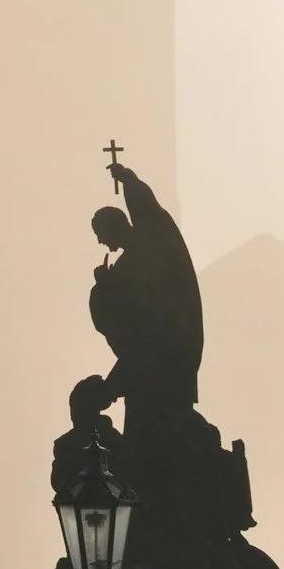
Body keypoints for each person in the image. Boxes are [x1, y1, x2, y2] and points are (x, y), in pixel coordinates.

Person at [88, 158, 202, 417]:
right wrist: (103, 288)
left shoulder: (153, 240)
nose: (100, 242)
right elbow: (118, 319)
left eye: (100, 234)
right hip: (149, 360)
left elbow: (149, 210)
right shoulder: (124, 266)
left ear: (112, 227)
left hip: (166, 350)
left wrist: (128, 180)